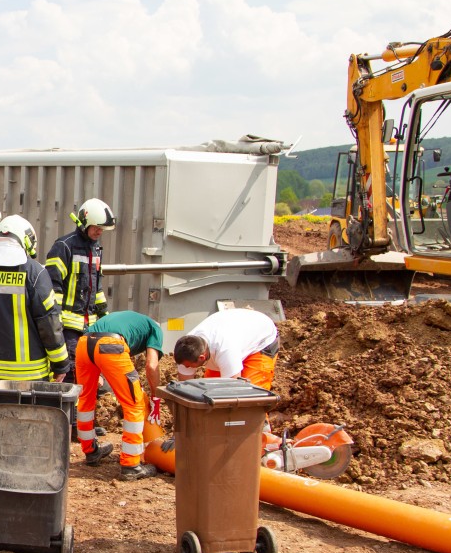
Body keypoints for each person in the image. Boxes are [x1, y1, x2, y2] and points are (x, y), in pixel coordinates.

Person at [0, 214, 71, 388]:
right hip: (33, 374)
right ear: (25, 240)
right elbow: (49, 321)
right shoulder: (33, 271)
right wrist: (60, 364)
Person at [74, 310, 164, 480]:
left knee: (86, 398)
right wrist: (155, 398)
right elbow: (152, 366)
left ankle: (91, 451)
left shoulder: (131, 321)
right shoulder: (155, 329)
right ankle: (131, 465)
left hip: (84, 344)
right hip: (110, 345)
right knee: (135, 403)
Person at [45, 198, 115, 369]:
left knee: (90, 368)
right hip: (68, 325)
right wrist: (56, 318)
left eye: (102, 228)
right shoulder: (64, 246)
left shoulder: (96, 249)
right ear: (84, 223)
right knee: (71, 370)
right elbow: (53, 286)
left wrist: (106, 316)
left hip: (89, 325)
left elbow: (96, 288)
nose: (99, 231)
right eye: (96, 227)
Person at [173, 307, 279, 390]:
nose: (186, 367)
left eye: (188, 366)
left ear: (202, 357)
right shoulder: (186, 349)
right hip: (233, 337)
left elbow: (233, 391)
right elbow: (184, 387)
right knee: (209, 391)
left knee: (251, 396)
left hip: (261, 341)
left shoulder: (225, 351)